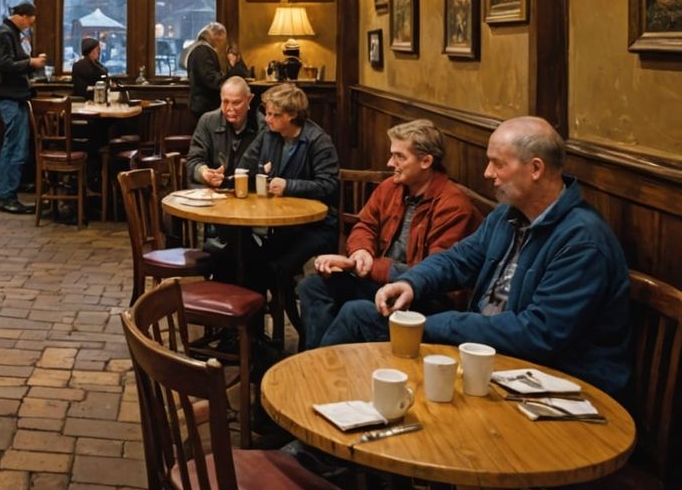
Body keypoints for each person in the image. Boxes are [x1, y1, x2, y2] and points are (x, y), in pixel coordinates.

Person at [322, 117, 631, 397]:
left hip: (547, 375)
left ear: (535, 169)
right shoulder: (508, 216)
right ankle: (320, 420)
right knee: (357, 316)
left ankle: (325, 447)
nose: (487, 174)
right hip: (484, 350)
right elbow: (458, 259)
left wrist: (439, 325)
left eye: (497, 164)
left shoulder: (582, 241)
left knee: (370, 326)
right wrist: (412, 283)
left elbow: (538, 334)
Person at [296, 119, 481, 350]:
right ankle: (315, 359)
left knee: (355, 311)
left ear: (426, 161)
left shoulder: (452, 205)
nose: (389, 162)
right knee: (312, 286)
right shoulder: (391, 187)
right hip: (380, 283)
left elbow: (437, 271)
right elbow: (365, 225)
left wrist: (364, 266)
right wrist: (360, 251)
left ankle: (319, 373)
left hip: (422, 296)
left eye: (399, 157)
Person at [228, 83, 340, 293]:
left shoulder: (318, 141)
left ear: (291, 115)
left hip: (315, 227)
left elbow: (329, 185)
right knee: (241, 256)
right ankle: (252, 318)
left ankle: (279, 311)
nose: (267, 119)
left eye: (273, 114)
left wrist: (289, 186)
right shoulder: (269, 135)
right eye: (267, 113)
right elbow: (245, 165)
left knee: (273, 267)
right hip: (280, 222)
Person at [0, 1, 44, 215]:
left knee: (16, 146)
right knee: (14, 147)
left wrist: (30, 62)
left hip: (15, 96)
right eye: (29, 21)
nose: (29, 26)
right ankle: (7, 196)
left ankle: (9, 193)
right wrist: (32, 63)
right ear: (22, 16)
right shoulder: (5, 34)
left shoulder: (9, 33)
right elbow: (4, 64)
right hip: (8, 96)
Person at [184, 76, 261, 190]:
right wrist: (204, 173)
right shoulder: (208, 121)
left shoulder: (261, 125)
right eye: (225, 102)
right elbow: (193, 161)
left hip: (248, 193)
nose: (230, 108)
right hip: (212, 193)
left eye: (236, 103)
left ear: (249, 99)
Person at [183, 21, 251, 118]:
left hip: (202, 105)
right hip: (206, 106)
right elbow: (213, 81)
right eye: (224, 38)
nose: (223, 43)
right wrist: (234, 65)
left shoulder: (199, 48)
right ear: (219, 35)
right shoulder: (203, 50)